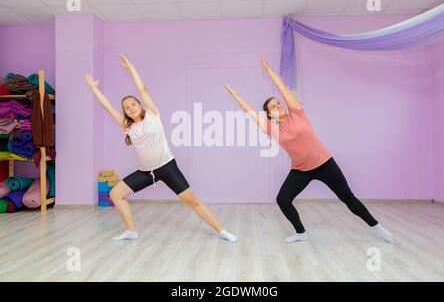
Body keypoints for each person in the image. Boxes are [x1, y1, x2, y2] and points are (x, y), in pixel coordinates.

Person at [224, 55, 393, 243]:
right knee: (283, 199)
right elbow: (250, 112)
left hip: (325, 163)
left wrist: (268, 69)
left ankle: (377, 227)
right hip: (301, 169)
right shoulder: (272, 128)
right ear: (269, 114)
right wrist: (235, 95)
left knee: (347, 197)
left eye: (278, 103)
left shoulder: (296, 112)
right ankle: (301, 233)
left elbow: (282, 88)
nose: (278, 106)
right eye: (273, 106)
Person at [85, 54, 237, 242]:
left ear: (140, 105)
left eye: (133, 104)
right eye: (126, 107)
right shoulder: (128, 127)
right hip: (145, 172)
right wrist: (94, 88)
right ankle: (131, 231)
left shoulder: (152, 115)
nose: (130, 107)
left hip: (167, 167)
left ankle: (222, 230)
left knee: (192, 200)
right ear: (125, 112)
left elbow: (143, 88)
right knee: (115, 194)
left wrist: (131, 67)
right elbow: (107, 107)